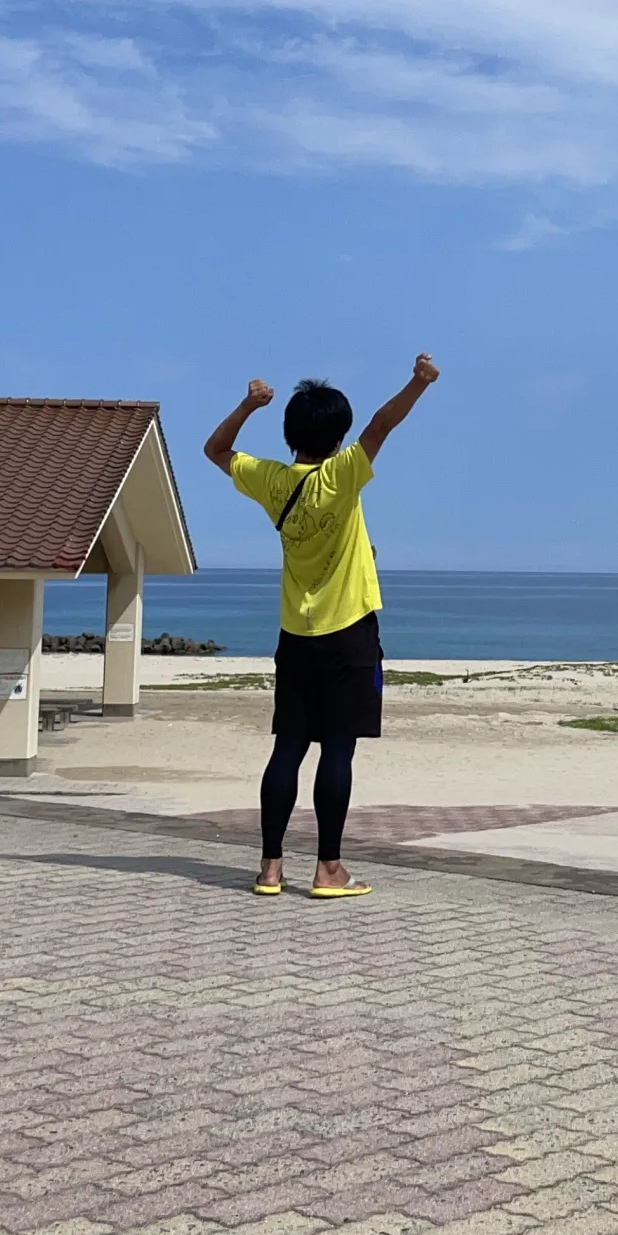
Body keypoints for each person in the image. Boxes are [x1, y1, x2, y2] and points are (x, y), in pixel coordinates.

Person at [204, 353, 440, 898]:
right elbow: (381, 425)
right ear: (338, 438)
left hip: (296, 635)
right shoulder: (343, 474)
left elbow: (215, 450)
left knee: (288, 746)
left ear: (290, 435)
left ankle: (269, 867)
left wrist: (247, 404)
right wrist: (418, 381)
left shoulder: (269, 479)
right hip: (349, 630)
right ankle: (328, 869)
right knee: (337, 747)